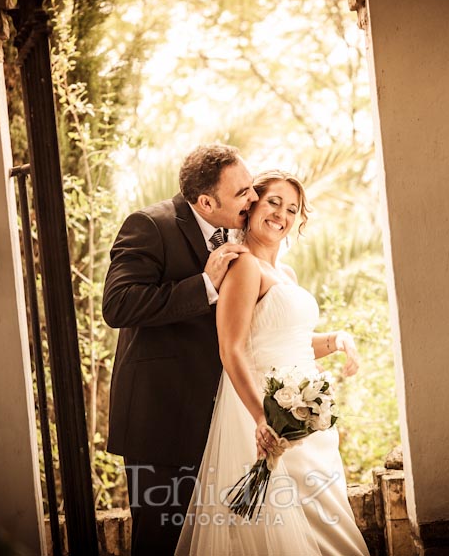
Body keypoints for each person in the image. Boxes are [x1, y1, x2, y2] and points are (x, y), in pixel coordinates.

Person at [175, 170, 370, 556]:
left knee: (326, 520)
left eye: (293, 208)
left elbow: (287, 341)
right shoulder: (244, 266)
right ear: (251, 206)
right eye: (274, 202)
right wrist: (262, 418)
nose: (282, 213)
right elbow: (231, 348)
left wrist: (336, 339)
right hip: (269, 414)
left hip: (305, 418)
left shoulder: (286, 273)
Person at [102, 144, 258, 555]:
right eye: (242, 192)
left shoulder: (241, 232)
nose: (253, 198)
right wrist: (204, 286)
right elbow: (118, 305)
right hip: (160, 423)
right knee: (161, 543)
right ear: (206, 201)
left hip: (220, 424)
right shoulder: (150, 225)